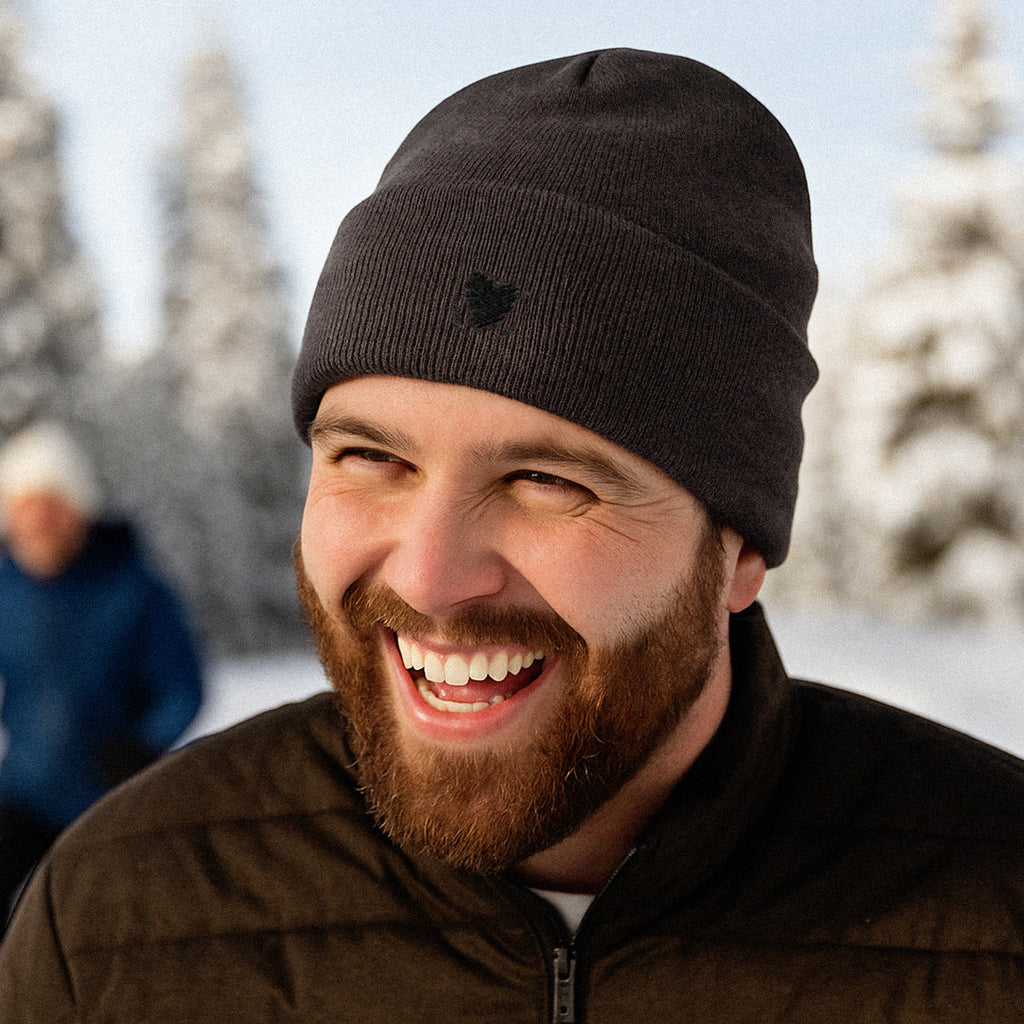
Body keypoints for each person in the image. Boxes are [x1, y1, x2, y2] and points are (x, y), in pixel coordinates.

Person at [2, 49, 1022, 1020]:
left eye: (545, 480)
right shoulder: (113, 924)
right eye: (371, 459)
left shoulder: (991, 918)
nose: (433, 577)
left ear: (740, 548)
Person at [0, 421, 204, 931]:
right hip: (23, 792)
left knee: (104, 934)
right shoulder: (6, 589)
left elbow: (183, 688)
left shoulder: (134, 587)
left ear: (78, 510)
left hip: (110, 799)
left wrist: (143, 744)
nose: (37, 521)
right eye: (23, 507)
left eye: (50, 505)